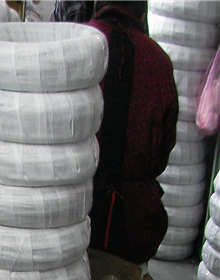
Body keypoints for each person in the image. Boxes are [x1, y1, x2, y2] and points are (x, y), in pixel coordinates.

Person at [87, 1, 178, 264]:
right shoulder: (158, 62)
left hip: (73, 210)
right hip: (134, 223)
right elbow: (163, 150)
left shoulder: (76, 45)